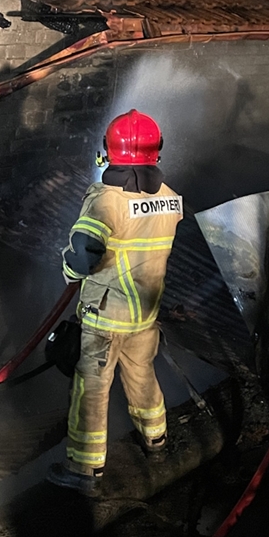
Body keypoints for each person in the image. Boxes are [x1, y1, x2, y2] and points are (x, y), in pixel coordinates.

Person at [46, 109, 183, 497]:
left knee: (91, 388)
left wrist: (68, 271)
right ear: (156, 152)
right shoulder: (170, 199)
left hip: (106, 316)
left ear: (109, 151)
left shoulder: (106, 201)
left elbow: (83, 255)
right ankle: (156, 440)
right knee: (142, 375)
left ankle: (84, 468)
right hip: (145, 315)